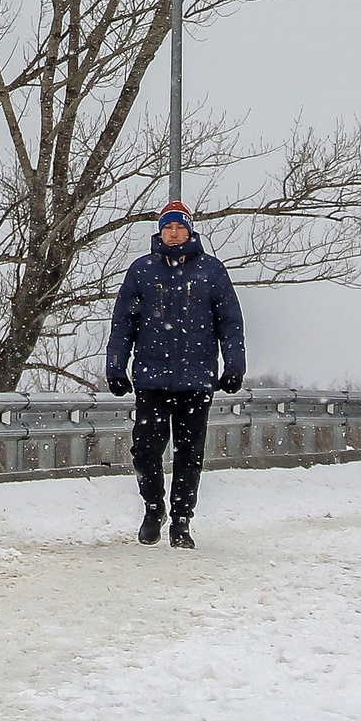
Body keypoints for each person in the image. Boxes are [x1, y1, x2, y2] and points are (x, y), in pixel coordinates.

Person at [104, 201, 244, 548]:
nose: (174, 233)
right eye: (168, 227)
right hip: (152, 378)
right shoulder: (142, 271)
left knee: (189, 454)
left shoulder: (211, 271)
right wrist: (116, 366)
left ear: (190, 230)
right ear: (160, 232)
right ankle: (154, 509)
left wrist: (234, 365)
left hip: (196, 380)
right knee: (146, 451)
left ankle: (181, 522)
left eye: (180, 227)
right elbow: (123, 323)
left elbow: (230, 322)